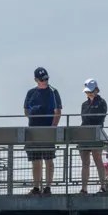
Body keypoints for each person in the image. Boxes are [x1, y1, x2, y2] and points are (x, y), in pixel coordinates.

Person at [23, 67, 62, 195]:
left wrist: (53, 128)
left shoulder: (53, 92)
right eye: (42, 79)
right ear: (36, 80)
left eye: (46, 78)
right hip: (34, 131)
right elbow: (26, 110)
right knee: (35, 160)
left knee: (49, 159)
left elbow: (58, 112)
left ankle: (48, 187)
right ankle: (36, 187)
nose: (44, 81)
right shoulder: (30, 93)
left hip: (47, 131)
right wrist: (33, 117)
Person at [78, 80, 108, 193]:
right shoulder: (84, 105)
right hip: (85, 135)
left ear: (96, 90)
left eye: (91, 91)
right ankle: (84, 188)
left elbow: (99, 118)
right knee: (85, 162)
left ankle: (103, 186)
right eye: (87, 92)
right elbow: (84, 119)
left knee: (98, 160)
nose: (89, 93)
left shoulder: (102, 102)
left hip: (96, 134)